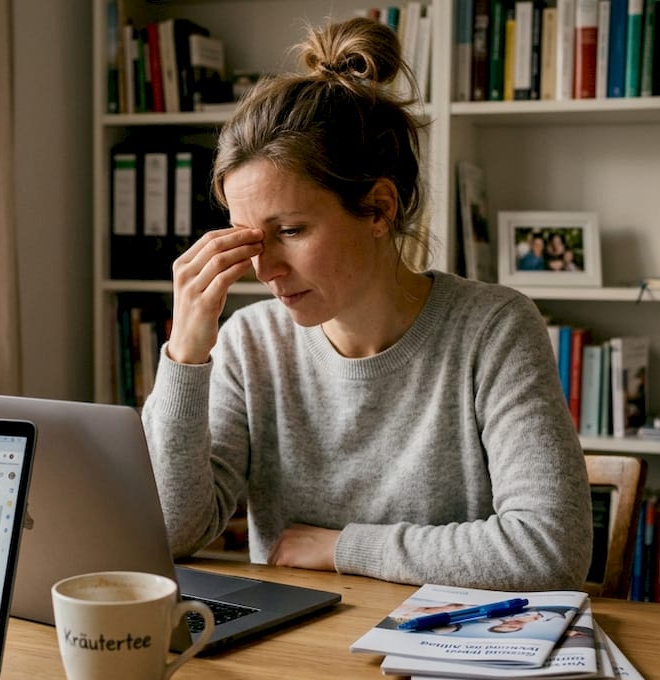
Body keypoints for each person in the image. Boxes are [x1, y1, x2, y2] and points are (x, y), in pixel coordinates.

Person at [140, 17, 591, 592]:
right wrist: (185, 354)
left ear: (378, 208)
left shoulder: (493, 330)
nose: (263, 268)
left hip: (445, 658)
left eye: (292, 231)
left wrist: (344, 547)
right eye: (249, 236)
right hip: (293, 664)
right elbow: (170, 533)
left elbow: (550, 551)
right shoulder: (249, 342)